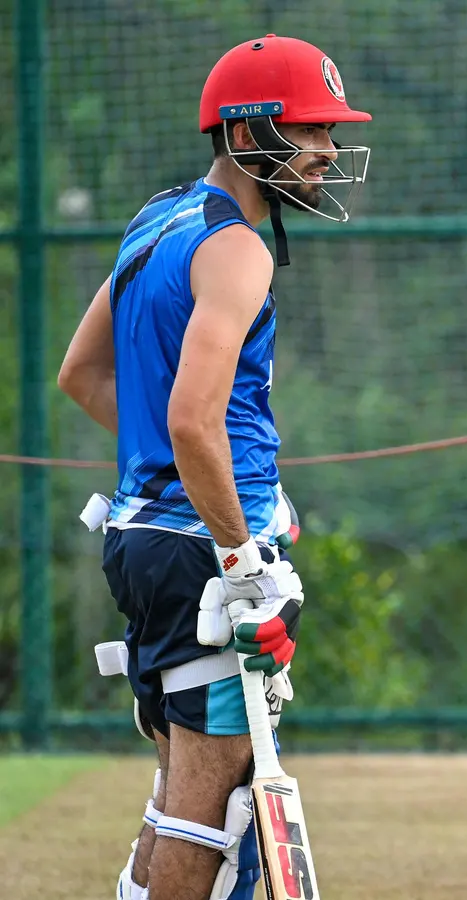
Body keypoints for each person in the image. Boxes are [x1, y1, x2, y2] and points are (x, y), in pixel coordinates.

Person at [56, 33, 371, 900]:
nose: (329, 154)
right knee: (217, 811)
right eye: (310, 132)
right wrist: (239, 554)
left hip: (141, 539)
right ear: (247, 134)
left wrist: (217, 484)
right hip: (201, 559)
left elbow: (81, 376)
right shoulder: (239, 249)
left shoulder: (156, 217)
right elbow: (194, 422)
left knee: (178, 794)